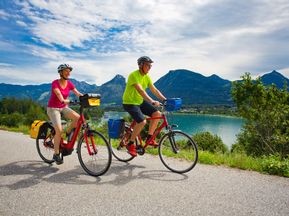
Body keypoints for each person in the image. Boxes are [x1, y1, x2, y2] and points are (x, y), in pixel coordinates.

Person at [122, 56, 167, 157]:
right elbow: (141, 91)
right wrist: (152, 101)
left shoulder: (147, 77)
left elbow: (154, 90)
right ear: (141, 65)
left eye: (150, 65)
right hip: (130, 103)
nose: (150, 67)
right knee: (142, 121)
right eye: (147, 65)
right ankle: (130, 144)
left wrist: (165, 100)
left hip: (139, 101)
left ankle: (150, 138)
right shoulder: (133, 75)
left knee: (157, 113)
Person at [47, 64, 83, 164]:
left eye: (69, 71)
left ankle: (67, 132)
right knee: (59, 130)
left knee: (78, 118)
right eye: (66, 71)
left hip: (63, 107)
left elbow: (78, 93)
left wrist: (86, 97)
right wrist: (63, 100)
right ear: (61, 72)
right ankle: (56, 153)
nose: (68, 73)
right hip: (53, 108)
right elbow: (58, 93)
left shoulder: (69, 83)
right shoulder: (55, 83)